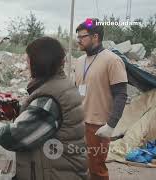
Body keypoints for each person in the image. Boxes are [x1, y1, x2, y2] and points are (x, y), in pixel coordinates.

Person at [0, 37, 88, 180]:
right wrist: (18, 110)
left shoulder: (49, 99)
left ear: (39, 63)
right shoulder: (60, 84)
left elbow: (14, 137)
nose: (27, 66)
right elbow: (39, 118)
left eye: (28, 61)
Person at [75, 18, 128, 180]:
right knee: (80, 166)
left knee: (97, 169)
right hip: (79, 123)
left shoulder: (112, 60)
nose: (78, 40)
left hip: (98, 126)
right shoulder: (79, 61)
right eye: (78, 37)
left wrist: (111, 125)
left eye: (82, 37)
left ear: (95, 37)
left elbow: (121, 94)